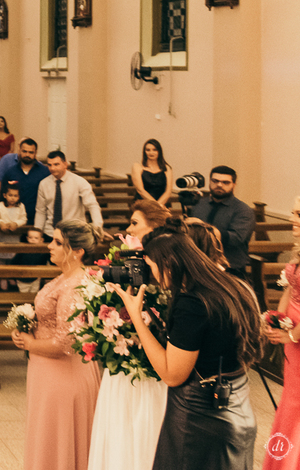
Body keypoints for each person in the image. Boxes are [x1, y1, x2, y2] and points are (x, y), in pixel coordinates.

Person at [113, 221, 261, 470]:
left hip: (201, 421)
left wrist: (136, 317)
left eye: (153, 266)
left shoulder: (192, 304)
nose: (153, 275)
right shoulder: (236, 285)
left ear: (169, 264)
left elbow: (173, 375)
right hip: (239, 409)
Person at [13, 219, 105, 470]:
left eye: (57, 242)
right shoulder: (65, 277)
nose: (49, 246)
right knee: (46, 434)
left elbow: (65, 344)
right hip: (49, 370)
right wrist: (27, 325)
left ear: (77, 251)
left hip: (63, 374)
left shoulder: (75, 285)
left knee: (57, 436)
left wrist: (30, 343)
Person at [86, 200, 171, 470]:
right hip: (123, 367)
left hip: (156, 368)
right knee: (118, 433)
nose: (129, 229)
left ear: (155, 227)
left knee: (148, 434)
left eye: (135, 223)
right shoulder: (122, 261)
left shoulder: (168, 269)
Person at [262, 195, 300, 470]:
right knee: (291, 399)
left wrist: (292, 335)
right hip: (293, 334)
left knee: (299, 404)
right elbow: (290, 287)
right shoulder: (299, 251)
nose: (292, 219)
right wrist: (277, 319)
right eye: (293, 213)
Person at [186, 165, 255, 277]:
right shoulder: (199, 205)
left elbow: (236, 238)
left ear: (234, 184)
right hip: (198, 265)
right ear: (210, 181)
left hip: (230, 268)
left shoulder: (243, 210)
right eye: (215, 181)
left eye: (225, 182)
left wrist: (202, 227)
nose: (219, 185)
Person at [35, 151, 102, 236]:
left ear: (65, 164)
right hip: (51, 232)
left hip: (75, 232)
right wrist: (37, 231)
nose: (52, 168)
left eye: (56, 164)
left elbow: (92, 205)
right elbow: (41, 211)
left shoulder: (79, 182)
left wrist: (97, 227)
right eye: (49, 165)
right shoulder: (44, 184)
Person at [0, 138, 51, 224]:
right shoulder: (10, 172)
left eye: (31, 152)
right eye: (24, 151)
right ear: (19, 151)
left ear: (35, 153)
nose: (27, 154)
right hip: (13, 220)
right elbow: (3, 196)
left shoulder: (45, 172)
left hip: (37, 219)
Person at [131, 139, 172, 208]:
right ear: (144, 152)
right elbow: (140, 190)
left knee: (167, 214)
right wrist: (156, 206)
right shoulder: (137, 167)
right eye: (148, 150)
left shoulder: (167, 168)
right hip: (143, 203)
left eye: (154, 150)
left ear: (159, 151)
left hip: (162, 204)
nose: (151, 153)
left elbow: (168, 192)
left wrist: (159, 206)